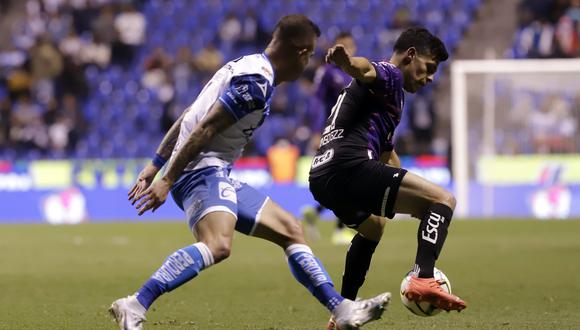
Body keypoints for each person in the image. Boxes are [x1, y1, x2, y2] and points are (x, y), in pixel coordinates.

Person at [108, 15, 390, 330]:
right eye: (309, 54)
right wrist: (166, 178)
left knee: (291, 230)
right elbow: (204, 128)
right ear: (299, 52)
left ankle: (342, 310)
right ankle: (134, 304)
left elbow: (189, 114)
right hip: (199, 170)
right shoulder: (255, 83)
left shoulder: (245, 65)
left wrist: (155, 164)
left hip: (214, 171)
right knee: (218, 244)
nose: (308, 62)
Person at [307, 27, 468, 329]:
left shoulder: (384, 100)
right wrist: (346, 62)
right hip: (351, 165)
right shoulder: (391, 74)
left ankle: (342, 312)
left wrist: (416, 189)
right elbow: (365, 69)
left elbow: (386, 157)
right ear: (410, 56)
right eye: (428, 68)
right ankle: (423, 277)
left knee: (374, 227)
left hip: (322, 175)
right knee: (444, 200)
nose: (430, 77)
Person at [302, 32, 357, 245]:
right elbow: (316, 102)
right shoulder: (326, 72)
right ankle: (341, 229)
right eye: (345, 46)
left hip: (353, 131)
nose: (349, 50)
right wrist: (317, 131)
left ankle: (315, 212)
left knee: (342, 179)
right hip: (334, 131)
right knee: (348, 177)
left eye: (352, 46)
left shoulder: (355, 72)